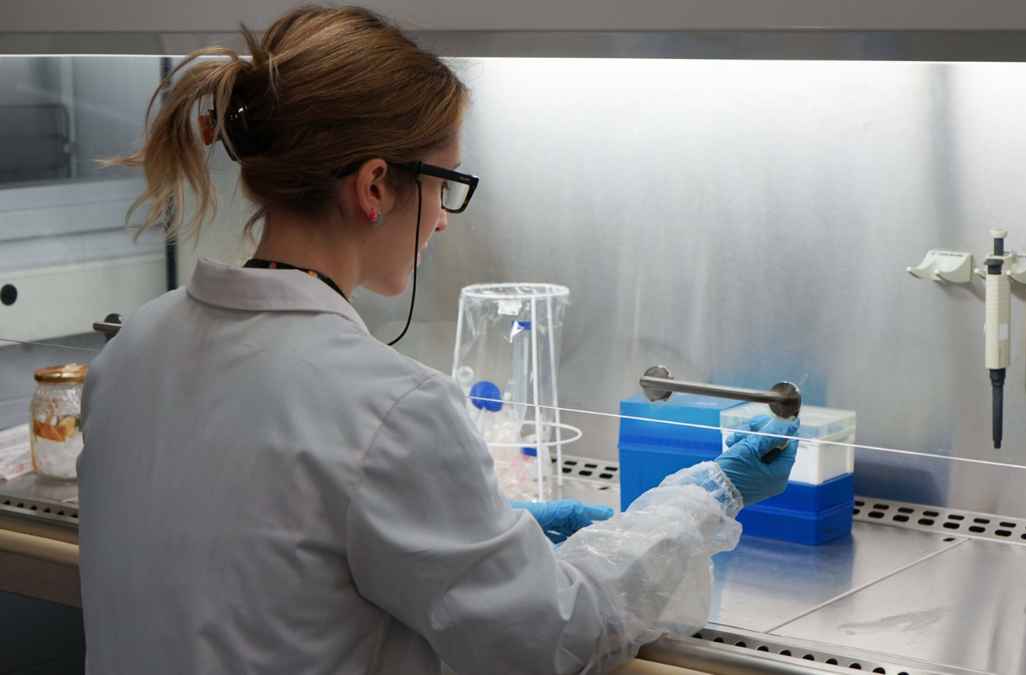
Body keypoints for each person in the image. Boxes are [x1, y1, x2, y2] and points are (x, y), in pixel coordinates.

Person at [77, 6, 800, 674]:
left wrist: (491, 530)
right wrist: (706, 497)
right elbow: (556, 635)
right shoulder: (389, 408)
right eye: (446, 183)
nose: (446, 218)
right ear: (374, 186)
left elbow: (266, 558)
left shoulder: (136, 346)